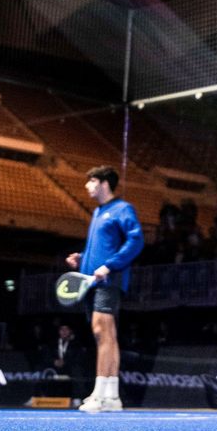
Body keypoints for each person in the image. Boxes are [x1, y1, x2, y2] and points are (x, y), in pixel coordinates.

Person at [66, 164, 144, 412]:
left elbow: (136, 239)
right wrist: (83, 258)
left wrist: (110, 266)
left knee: (102, 332)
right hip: (92, 282)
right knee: (106, 334)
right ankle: (111, 395)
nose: (87, 186)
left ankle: (99, 394)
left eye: (91, 181)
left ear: (103, 183)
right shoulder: (99, 213)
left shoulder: (122, 209)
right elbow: (101, 247)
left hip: (109, 280)